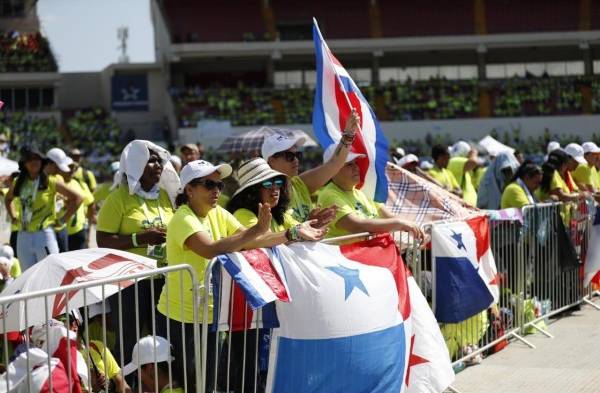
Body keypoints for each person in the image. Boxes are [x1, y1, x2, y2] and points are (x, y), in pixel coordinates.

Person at [156, 159, 326, 391]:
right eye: (208, 184)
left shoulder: (218, 213)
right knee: (193, 383)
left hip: (208, 312)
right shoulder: (182, 217)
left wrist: (293, 232)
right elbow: (209, 249)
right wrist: (259, 231)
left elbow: (252, 240)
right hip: (182, 316)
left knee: (207, 382)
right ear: (189, 189)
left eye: (219, 185)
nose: (216, 190)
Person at [96, 140, 176, 366]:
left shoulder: (164, 196)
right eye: (151, 161)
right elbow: (102, 240)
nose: (158, 165)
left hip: (162, 277)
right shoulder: (118, 198)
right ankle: (125, 384)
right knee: (129, 338)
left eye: (159, 160)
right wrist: (139, 238)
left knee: (162, 336)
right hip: (130, 281)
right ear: (135, 165)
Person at [261, 110, 360, 222]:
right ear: (271, 160)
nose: (296, 160)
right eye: (289, 156)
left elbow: (335, 163)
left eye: (297, 155)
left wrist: (349, 134)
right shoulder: (264, 192)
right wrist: (307, 224)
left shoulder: (299, 184)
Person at [317, 145, 424, 240]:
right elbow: (357, 226)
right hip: (347, 260)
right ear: (332, 169)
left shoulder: (361, 192)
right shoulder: (329, 195)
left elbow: (389, 216)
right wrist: (399, 223)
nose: (356, 167)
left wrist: (412, 225)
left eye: (356, 163)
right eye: (349, 164)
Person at [4, 146, 82, 270]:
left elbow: (77, 198)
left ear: (42, 162)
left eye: (37, 159)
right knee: (27, 276)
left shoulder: (51, 181)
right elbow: (8, 199)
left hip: (44, 234)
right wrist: (13, 216)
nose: (34, 162)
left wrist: (63, 220)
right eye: (30, 159)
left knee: (50, 274)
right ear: (24, 163)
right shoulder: (18, 182)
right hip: (23, 235)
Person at [45, 147, 74, 253]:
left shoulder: (57, 178)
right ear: (50, 163)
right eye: (57, 167)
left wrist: (63, 219)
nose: (59, 171)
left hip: (57, 227)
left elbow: (76, 198)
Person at [62, 160, 95, 250]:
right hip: (60, 231)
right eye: (69, 167)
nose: (72, 170)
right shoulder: (56, 183)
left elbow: (91, 203)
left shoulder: (80, 183)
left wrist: (88, 228)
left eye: (74, 168)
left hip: (78, 231)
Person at [447, 141, 478, 205]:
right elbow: (473, 162)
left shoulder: (456, 163)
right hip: (464, 206)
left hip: (467, 206)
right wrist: (473, 153)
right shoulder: (454, 161)